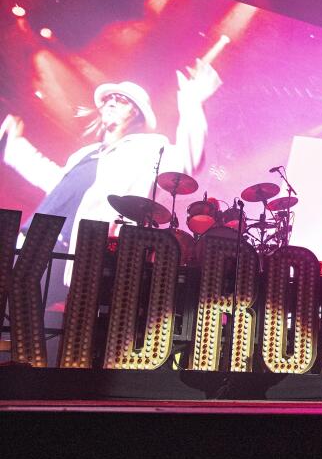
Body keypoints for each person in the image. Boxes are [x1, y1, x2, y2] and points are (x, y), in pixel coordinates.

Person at [1, 58, 221, 288]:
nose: (111, 103)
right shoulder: (85, 154)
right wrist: (16, 145)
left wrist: (192, 103)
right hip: (33, 240)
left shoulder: (148, 147)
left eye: (121, 100)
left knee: (38, 319)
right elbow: (53, 180)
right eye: (108, 100)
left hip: (72, 253)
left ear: (136, 114)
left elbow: (187, 159)